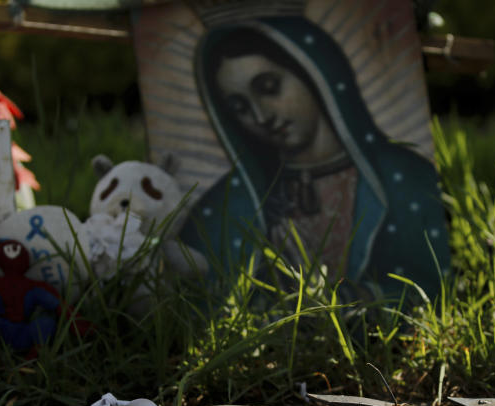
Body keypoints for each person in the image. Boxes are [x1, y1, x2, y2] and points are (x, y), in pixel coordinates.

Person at [181, 17, 449, 298]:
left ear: (313, 73)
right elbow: (195, 296)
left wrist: (345, 302)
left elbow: (428, 289)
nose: (261, 116)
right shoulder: (230, 201)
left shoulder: (401, 176)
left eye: (269, 87)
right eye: (240, 107)